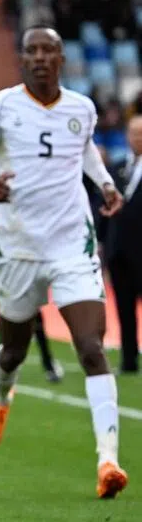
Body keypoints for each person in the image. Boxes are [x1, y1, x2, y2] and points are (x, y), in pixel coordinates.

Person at [0, 26, 128, 499]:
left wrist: (104, 184)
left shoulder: (81, 108)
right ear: (22, 58)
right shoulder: (0, 106)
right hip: (19, 247)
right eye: (32, 51)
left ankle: (108, 460)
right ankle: (1, 398)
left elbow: (84, 151)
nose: (41, 58)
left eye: (49, 51)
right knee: (14, 350)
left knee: (91, 346)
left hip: (72, 245)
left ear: (62, 58)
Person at [0, 158, 65, 382]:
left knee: (32, 301)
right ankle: (6, 361)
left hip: (28, 239)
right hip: (0, 238)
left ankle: (47, 360)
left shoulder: (33, 159)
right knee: (2, 300)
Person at [106, 116, 142, 375]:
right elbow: (104, 208)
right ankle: (128, 361)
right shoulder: (118, 168)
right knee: (123, 308)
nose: (137, 139)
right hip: (118, 250)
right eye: (133, 134)